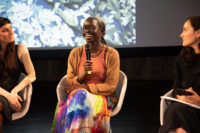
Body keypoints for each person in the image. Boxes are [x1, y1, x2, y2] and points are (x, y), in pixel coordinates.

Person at [52, 16, 120, 133]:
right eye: (84, 28)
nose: (87, 30)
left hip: (102, 97)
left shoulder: (112, 54)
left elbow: (110, 86)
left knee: (80, 98)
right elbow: (69, 82)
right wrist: (82, 75)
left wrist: (85, 88)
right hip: (77, 97)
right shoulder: (75, 53)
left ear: (102, 32)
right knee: (80, 98)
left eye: (92, 27)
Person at [159, 16, 200, 133]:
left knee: (176, 111)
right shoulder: (181, 60)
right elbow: (176, 88)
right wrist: (182, 97)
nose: (181, 35)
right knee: (177, 112)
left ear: (198, 33)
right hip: (185, 108)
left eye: (185, 30)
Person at [0, 17, 36, 132]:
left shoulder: (20, 49)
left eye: (11, 28)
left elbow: (32, 75)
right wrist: (8, 95)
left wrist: (14, 91)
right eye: (5, 30)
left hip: (12, 97)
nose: (11, 32)